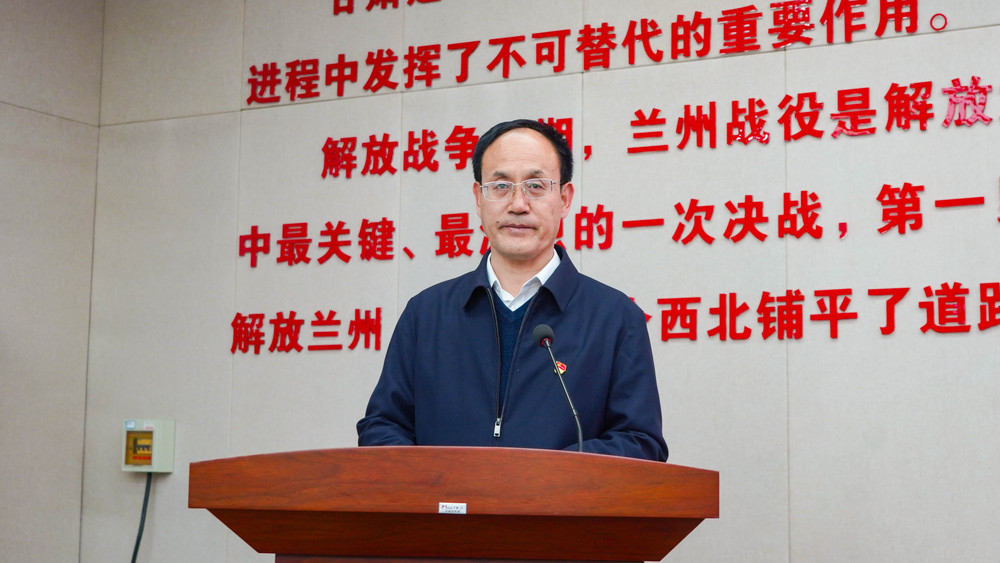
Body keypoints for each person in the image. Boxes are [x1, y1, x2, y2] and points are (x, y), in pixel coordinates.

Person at [357, 119, 667, 461]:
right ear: (479, 198)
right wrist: (440, 480)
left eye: (536, 186)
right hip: (443, 497)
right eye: (501, 186)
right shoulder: (426, 313)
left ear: (564, 199)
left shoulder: (616, 318)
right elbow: (382, 427)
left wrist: (542, 477)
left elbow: (640, 442)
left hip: (558, 497)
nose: (518, 204)